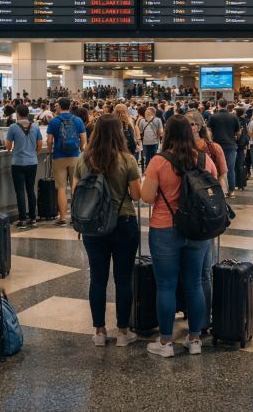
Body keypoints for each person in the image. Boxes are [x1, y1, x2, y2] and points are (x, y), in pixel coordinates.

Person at [140, 115, 217, 358]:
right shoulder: (204, 159)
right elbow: (216, 191)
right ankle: (194, 338)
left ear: (168, 134)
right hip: (197, 231)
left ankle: (165, 342)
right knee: (194, 284)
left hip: (164, 229)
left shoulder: (158, 162)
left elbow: (147, 197)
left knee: (166, 285)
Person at [72, 114, 141, 347]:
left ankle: (100, 331)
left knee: (97, 279)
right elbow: (137, 195)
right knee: (123, 278)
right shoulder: (128, 159)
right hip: (123, 222)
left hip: (93, 226)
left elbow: (76, 192)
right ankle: (123, 331)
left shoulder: (84, 159)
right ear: (119, 133)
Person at [185, 109, 226, 333]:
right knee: (193, 271)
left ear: (199, 126)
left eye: (192, 124)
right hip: (187, 215)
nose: (189, 127)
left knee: (203, 271)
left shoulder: (212, 149)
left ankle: (203, 319)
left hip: (206, 213)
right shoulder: (179, 151)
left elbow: (222, 175)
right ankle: (192, 311)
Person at [46, 97, 87, 226]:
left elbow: (49, 140)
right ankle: (75, 217)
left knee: (62, 189)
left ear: (59, 106)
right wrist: (81, 150)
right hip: (75, 157)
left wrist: (49, 151)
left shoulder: (54, 121)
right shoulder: (78, 120)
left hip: (59, 157)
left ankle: (62, 218)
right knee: (75, 187)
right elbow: (83, 139)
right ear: (70, 106)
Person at [5, 104, 43, 228]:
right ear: (27, 114)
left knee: (20, 191)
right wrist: (33, 153)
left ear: (17, 114)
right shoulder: (35, 127)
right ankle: (33, 218)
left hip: (18, 162)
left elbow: (8, 146)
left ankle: (22, 219)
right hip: (32, 162)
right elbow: (39, 144)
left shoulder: (13, 127)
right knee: (30, 189)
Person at [207, 99, 241, 198]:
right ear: (227, 105)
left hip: (216, 146)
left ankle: (220, 190)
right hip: (230, 145)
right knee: (230, 169)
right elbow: (238, 133)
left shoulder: (213, 117)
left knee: (217, 169)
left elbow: (208, 130)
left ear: (218, 105)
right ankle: (231, 191)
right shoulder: (234, 117)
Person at [137, 106, 164, 171]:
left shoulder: (142, 121)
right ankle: (154, 170)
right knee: (153, 156)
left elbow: (140, 131)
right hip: (154, 141)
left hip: (145, 142)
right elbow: (161, 132)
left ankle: (148, 170)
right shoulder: (158, 120)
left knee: (147, 157)